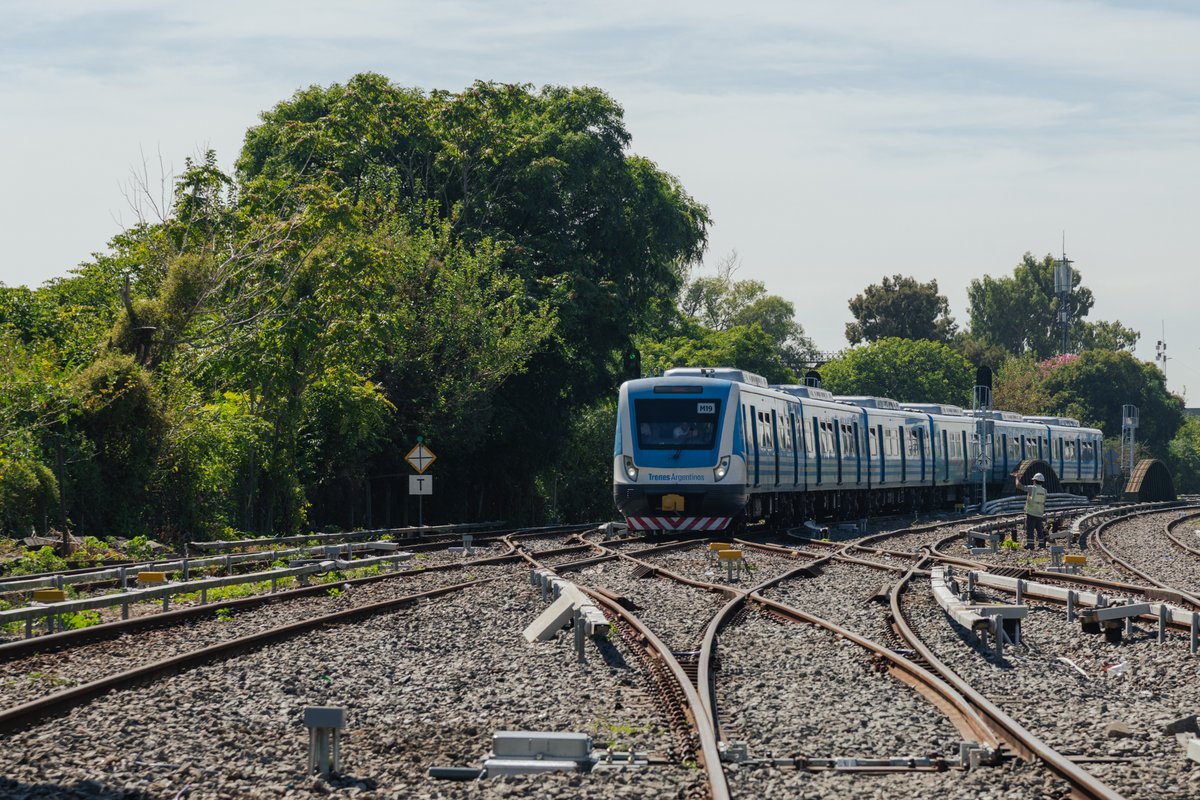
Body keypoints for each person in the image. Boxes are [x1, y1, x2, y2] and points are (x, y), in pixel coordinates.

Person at [1014, 472, 1048, 549]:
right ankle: (1042, 545)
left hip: (1031, 512)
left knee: (1030, 530)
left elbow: (1018, 486)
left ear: (1035, 481)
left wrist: (1017, 478)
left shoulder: (1032, 488)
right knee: (1039, 529)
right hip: (1039, 513)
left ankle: (1030, 545)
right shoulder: (1044, 491)